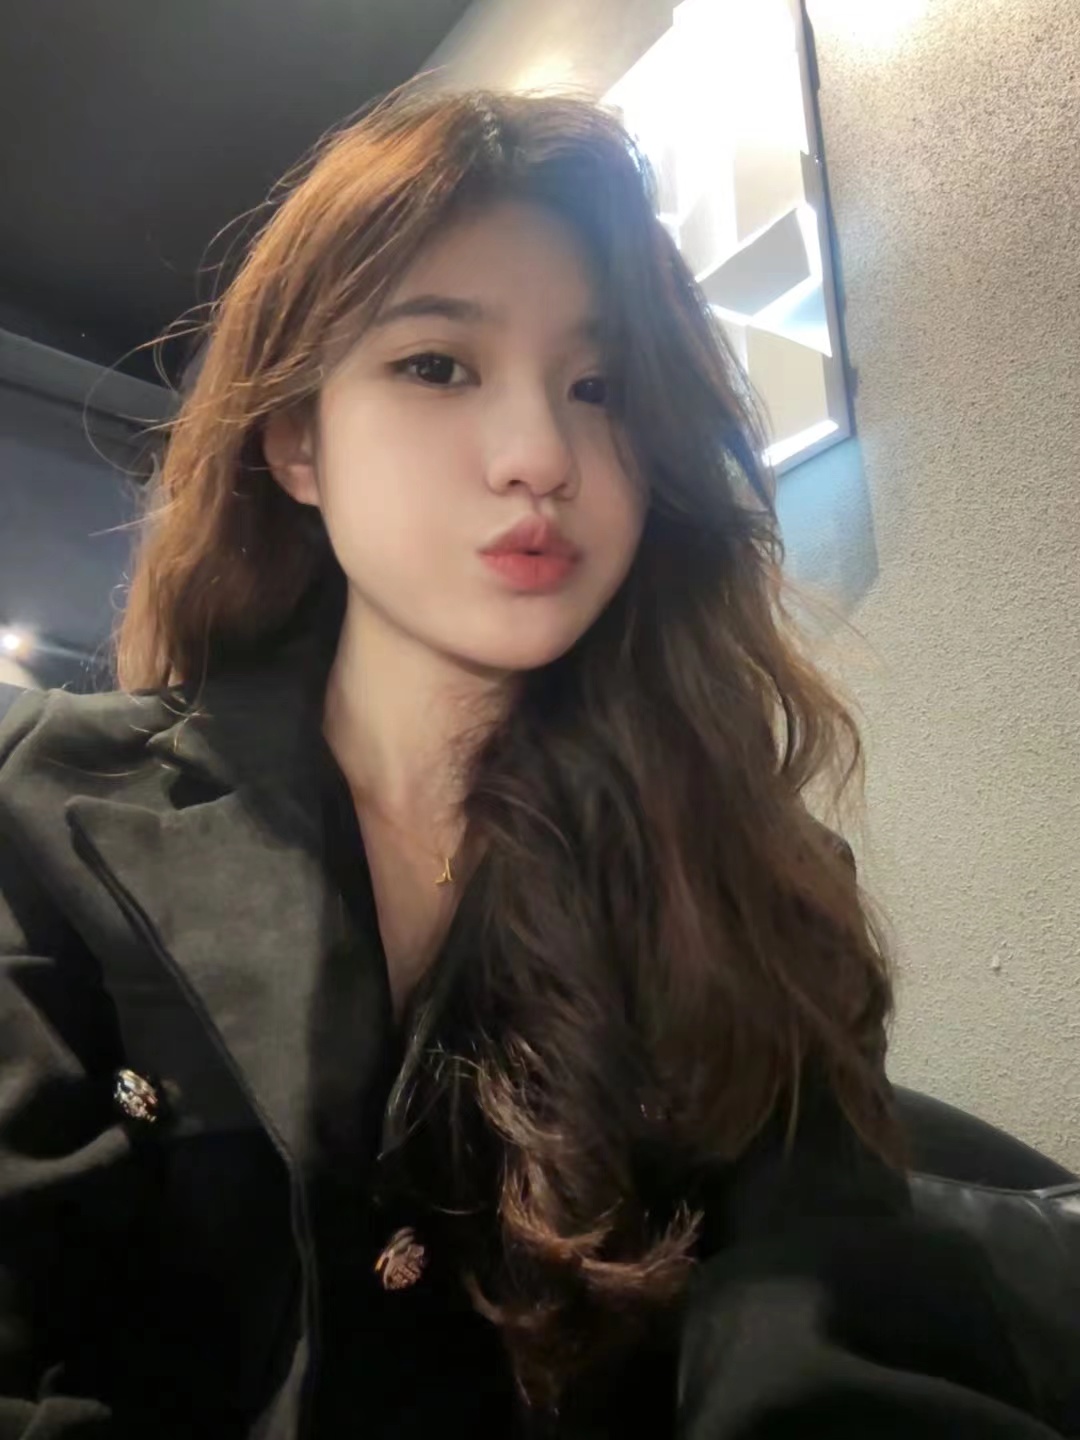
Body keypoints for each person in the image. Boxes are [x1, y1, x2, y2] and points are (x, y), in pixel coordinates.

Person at [0, 81, 1061, 1440]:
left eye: (599, 388)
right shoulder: (51, 809)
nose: (541, 456)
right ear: (297, 439)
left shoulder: (752, 886)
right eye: (437, 366)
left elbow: (805, 1348)